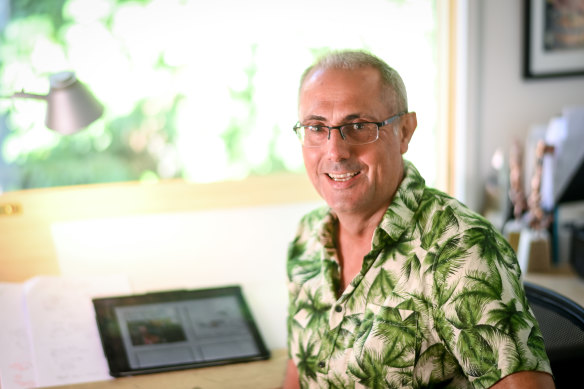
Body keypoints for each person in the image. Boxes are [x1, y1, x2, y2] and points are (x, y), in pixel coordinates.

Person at [284, 50, 554, 388]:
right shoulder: (306, 237)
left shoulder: (461, 248)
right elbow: (299, 370)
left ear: (405, 132)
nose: (335, 151)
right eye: (316, 127)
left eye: (358, 126)